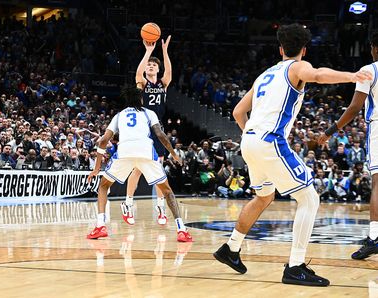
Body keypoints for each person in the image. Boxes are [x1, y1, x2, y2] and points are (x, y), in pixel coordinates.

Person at [213, 23, 372, 286]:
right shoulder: (297, 67)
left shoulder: (264, 75)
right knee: (309, 198)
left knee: (264, 196)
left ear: (280, 48)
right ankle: (295, 266)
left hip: (249, 140)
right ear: (303, 49)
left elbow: (238, 113)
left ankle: (231, 248)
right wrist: (352, 76)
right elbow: (319, 75)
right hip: (269, 141)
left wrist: (252, 136)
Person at [87, 86, 192, 242]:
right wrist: (174, 154)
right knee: (167, 191)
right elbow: (161, 135)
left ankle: (100, 226)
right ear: (141, 100)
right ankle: (181, 229)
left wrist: (96, 169)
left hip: (125, 152)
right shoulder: (149, 113)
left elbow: (103, 141)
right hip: (146, 151)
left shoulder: (119, 115)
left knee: (103, 186)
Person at [318, 31, 378, 260]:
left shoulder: (370, 70)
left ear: (374, 47)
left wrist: (330, 131)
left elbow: (353, 108)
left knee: (377, 183)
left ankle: (375, 237)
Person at [123, 36, 172, 226]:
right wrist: (148, 51)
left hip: (158, 130)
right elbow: (138, 73)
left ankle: (161, 208)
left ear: (157, 70)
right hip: (143, 131)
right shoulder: (142, 84)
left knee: (158, 170)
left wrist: (165, 51)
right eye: (149, 65)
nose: (151, 66)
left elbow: (169, 71)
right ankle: (128, 203)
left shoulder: (163, 83)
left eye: (153, 65)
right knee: (137, 169)